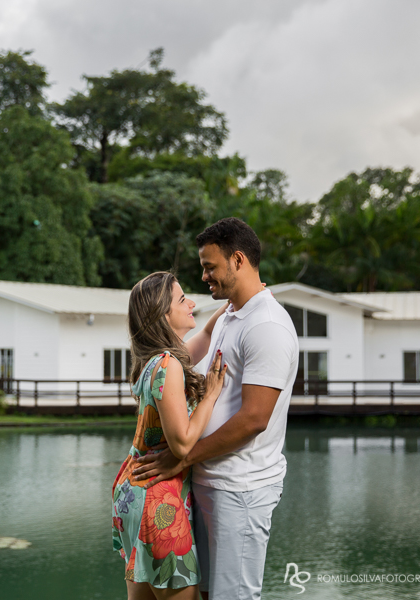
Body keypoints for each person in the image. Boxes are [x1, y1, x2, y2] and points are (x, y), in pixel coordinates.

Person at [132, 218, 299, 600]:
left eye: (210, 266)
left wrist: (183, 457)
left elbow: (255, 418)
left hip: (239, 488)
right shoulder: (230, 316)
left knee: (233, 596)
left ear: (237, 260)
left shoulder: (267, 326)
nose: (204, 276)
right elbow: (185, 359)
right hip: (205, 484)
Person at [112, 271, 229, 600]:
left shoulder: (154, 362)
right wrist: (211, 395)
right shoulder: (168, 366)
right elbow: (181, 443)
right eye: (182, 300)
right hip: (159, 502)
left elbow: (206, 334)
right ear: (162, 315)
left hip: (134, 494)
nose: (192, 303)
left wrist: (237, 301)